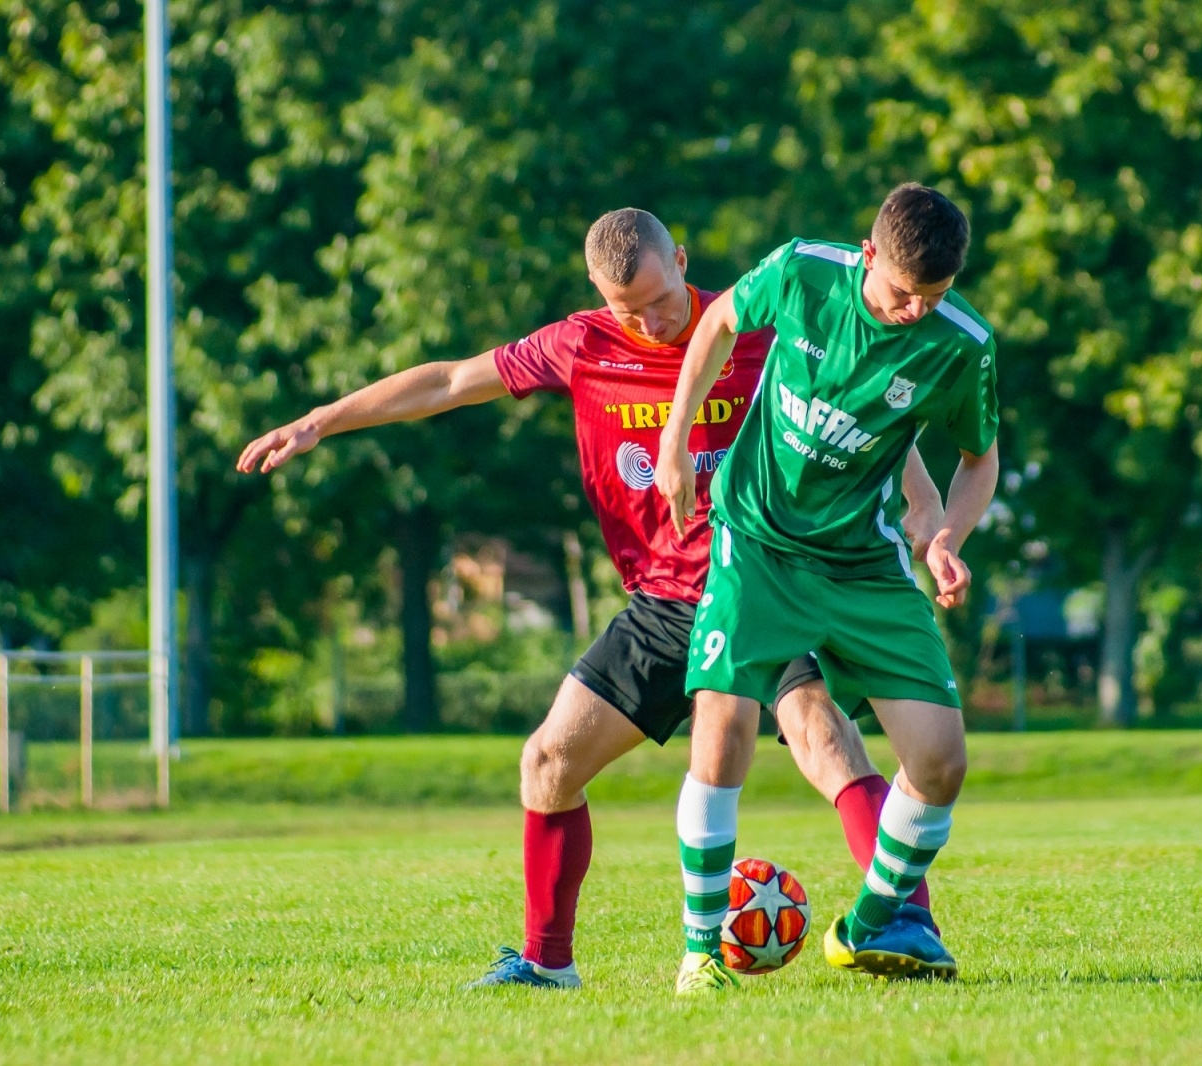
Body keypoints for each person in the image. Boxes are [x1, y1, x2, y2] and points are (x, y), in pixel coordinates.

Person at [236, 208, 945, 990]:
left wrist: (923, 505)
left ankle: (907, 925)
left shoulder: (757, 322)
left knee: (824, 739)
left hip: (759, 579)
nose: (647, 321)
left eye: (661, 299)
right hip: (661, 606)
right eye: (625, 308)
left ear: (681, 259)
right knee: (547, 762)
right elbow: (448, 380)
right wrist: (320, 420)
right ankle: (548, 963)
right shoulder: (582, 344)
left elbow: (860, 414)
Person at [655, 184, 999, 993]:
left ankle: (872, 924)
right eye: (901, 293)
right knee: (722, 732)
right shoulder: (805, 272)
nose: (915, 311)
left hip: (865, 565)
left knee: (941, 760)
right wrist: (675, 441)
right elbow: (717, 324)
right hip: (759, 543)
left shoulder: (962, 343)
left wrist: (946, 533)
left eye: (934, 297)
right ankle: (701, 951)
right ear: (869, 255)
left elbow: (980, 458)